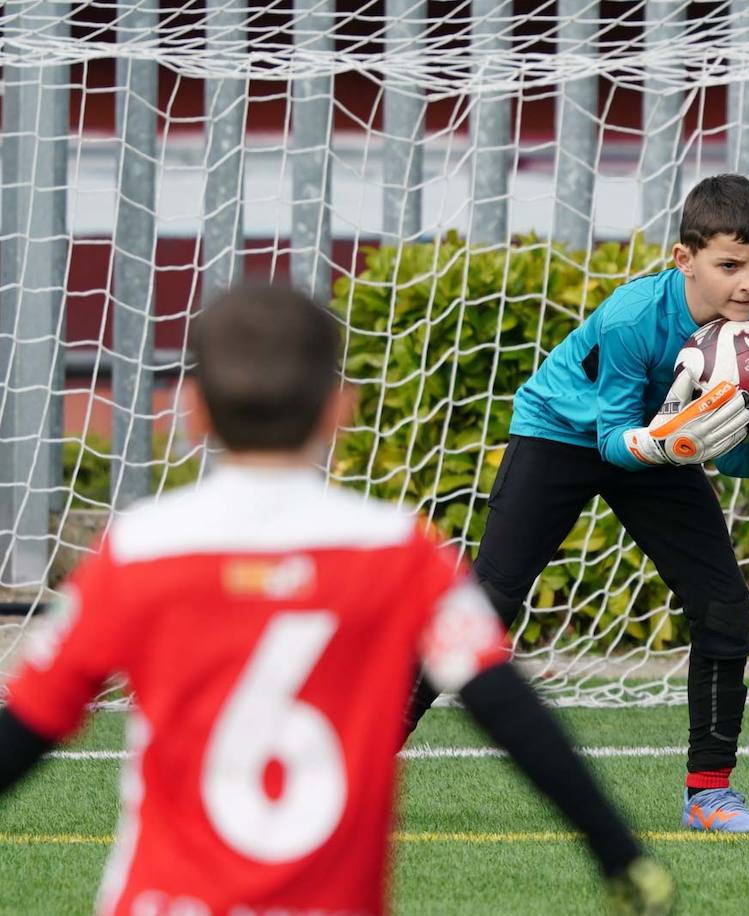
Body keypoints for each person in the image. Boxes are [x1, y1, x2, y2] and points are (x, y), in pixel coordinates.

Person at [0, 285, 673, 915]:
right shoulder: (398, 552)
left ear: (194, 411)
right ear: (340, 409)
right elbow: (506, 706)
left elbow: (26, 729)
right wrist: (618, 851)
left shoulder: (139, 551)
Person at [406, 174, 749, 833]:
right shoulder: (634, 318)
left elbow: (736, 455)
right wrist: (675, 441)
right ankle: (359, 764)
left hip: (660, 445)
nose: (747, 284)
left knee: (722, 605)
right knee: (488, 602)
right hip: (565, 434)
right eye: (729, 265)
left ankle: (709, 795)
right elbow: (611, 438)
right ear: (684, 260)